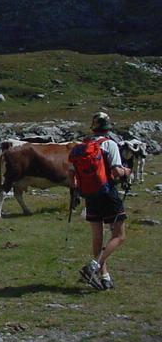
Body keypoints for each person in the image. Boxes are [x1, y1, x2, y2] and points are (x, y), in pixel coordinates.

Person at [71, 112, 130, 291]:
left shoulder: (81, 147)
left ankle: (105, 278)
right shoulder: (109, 144)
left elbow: (71, 173)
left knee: (98, 236)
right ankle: (93, 267)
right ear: (107, 129)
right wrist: (127, 172)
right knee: (119, 236)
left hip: (89, 194)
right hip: (107, 193)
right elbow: (117, 172)